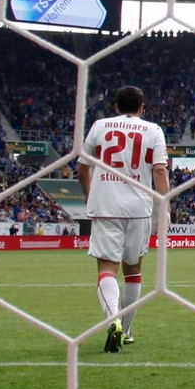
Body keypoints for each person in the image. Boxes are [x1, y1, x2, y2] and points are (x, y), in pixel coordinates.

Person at [78, 86, 169, 353]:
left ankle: (113, 321)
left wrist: (88, 194)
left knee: (107, 269)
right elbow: (160, 171)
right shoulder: (153, 130)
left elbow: (83, 167)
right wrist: (164, 207)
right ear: (143, 107)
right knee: (134, 270)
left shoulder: (99, 126)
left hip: (106, 206)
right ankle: (126, 330)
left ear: (116, 107)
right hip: (139, 208)